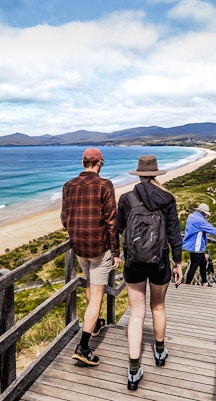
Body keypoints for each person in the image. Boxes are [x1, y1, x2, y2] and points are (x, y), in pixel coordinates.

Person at [116, 155, 184, 391]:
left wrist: (117, 254)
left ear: (139, 174)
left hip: (133, 263)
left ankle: (134, 370)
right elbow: (175, 233)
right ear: (155, 174)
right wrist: (178, 262)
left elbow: (118, 229)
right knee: (158, 307)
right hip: (160, 263)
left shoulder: (126, 198)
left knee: (136, 313)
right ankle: (159, 351)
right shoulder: (167, 198)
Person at [61, 148, 121, 367]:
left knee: (89, 287)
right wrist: (116, 252)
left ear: (82, 162)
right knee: (96, 296)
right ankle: (83, 347)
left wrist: (78, 231)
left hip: (79, 248)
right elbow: (111, 223)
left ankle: (94, 325)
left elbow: (64, 219)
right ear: (100, 163)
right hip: (99, 249)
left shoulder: (68, 186)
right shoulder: (105, 185)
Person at [182, 203, 216, 285]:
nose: (206, 216)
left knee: (203, 263)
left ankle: (204, 282)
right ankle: (187, 285)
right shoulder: (200, 221)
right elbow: (213, 231)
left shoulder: (191, 216)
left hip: (190, 244)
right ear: (203, 213)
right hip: (196, 246)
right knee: (193, 266)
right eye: (205, 214)